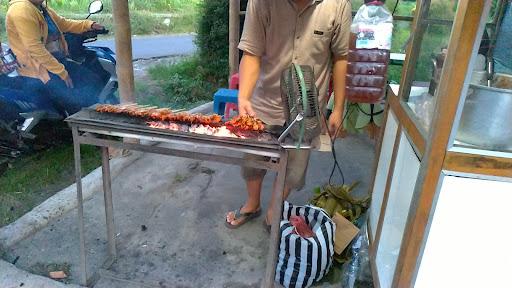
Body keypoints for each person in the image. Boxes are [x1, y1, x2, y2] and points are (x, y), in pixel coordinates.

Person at [225, 0, 352, 228]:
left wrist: (339, 108)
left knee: (293, 167)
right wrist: (243, 97)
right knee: (252, 161)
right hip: (265, 101)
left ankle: (275, 208)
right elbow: (251, 51)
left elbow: (340, 58)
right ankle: (252, 203)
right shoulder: (262, 2)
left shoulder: (338, 4)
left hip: (307, 109)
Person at [6, 0, 106, 114]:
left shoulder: (40, 8)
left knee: (93, 81)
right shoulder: (21, 9)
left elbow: (63, 24)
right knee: (74, 99)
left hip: (55, 62)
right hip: (40, 71)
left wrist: (88, 25)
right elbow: (34, 48)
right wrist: (61, 72)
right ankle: (78, 128)